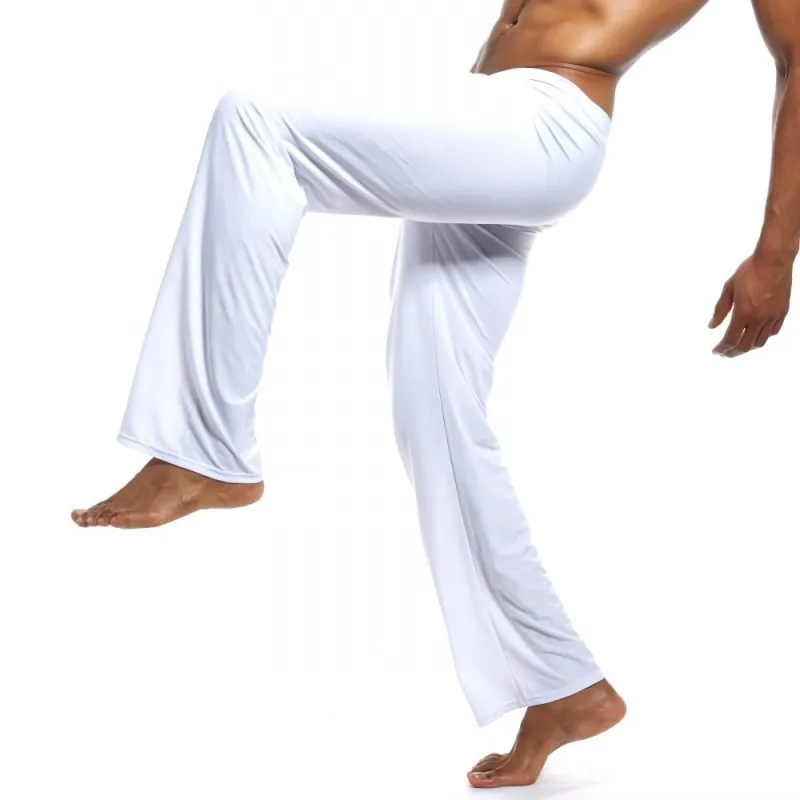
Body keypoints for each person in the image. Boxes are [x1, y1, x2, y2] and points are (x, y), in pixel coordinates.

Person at [71, 0, 799, 789]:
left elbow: (797, 59)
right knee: (434, 410)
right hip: (486, 116)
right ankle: (561, 684)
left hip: (542, 127)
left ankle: (203, 451)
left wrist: (775, 253)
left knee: (256, 125)